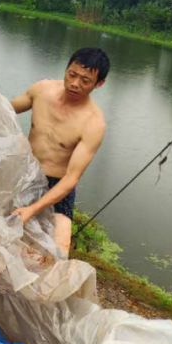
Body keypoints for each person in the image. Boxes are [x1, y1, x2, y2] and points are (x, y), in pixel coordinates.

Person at [10, 47, 109, 256]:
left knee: (59, 251)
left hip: (57, 185)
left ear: (99, 84)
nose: (75, 83)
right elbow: (7, 109)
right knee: (2, 232)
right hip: (25, 173)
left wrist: (32, 209)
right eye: (72, 74)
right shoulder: (42, 90)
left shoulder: (93, 123)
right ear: (66, 69)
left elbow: (71, 179)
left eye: (85, 80)